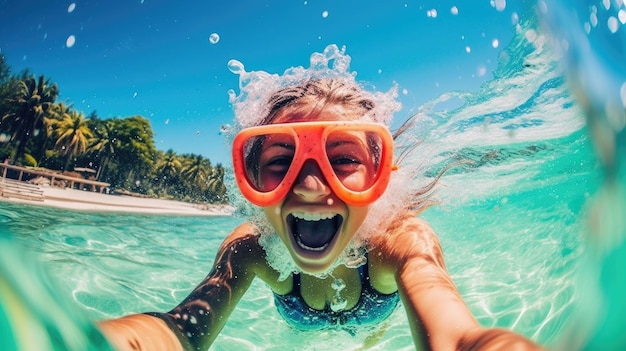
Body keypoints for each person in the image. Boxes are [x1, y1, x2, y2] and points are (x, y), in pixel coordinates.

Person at [98, 46, 543, 351]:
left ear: (380, 178)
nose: (311, 185)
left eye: (343, 159)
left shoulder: (401, 244)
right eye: (280, 159)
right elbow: (180, 330)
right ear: (251, 179)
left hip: (372, 327)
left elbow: (458, 335)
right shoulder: (252, 251)